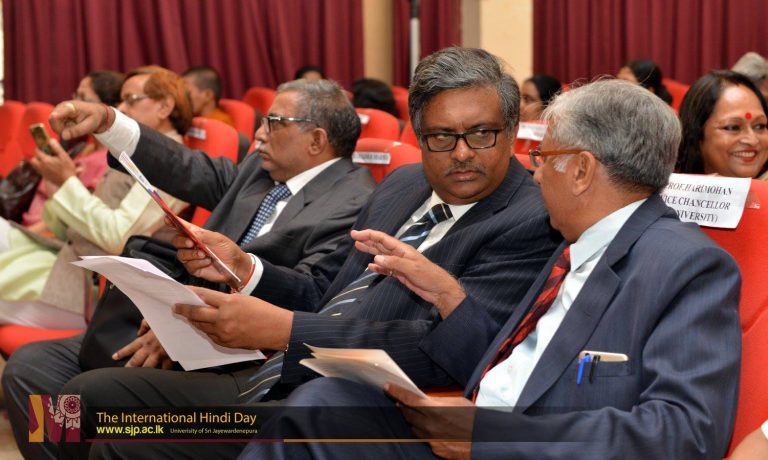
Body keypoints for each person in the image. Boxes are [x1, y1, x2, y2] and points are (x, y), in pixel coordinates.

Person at [60, 47, 559, 459]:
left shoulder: (533, 218)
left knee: (120, 438)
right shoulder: (404, 184)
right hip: (276, 373)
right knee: (69, 408)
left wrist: (284, 330)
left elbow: (451, 350)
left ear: (512, 129)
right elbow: (325, 290)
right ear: (421, 136)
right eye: (442, 136)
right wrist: (243, 268)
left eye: (481, 134)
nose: (463, 152)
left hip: (347, 408)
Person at [247, 79, 742, 459]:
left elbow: (685, 433)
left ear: (582, 170)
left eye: (544, 157)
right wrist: (448, 297)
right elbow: (509, 359)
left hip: (518, 446)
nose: (536, 173)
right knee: (322, 403)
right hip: (464, 424)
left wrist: (494, 436)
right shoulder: (570, 244)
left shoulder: (686, 265)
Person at [2, 78, 376, 460]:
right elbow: (183, 165)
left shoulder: (354, 202)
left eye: (275, 122)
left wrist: (227, 284)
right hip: (172, 317)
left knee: (82, 399)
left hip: (237, 350)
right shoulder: (260, 171)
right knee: (31, 369)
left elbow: (312, 296)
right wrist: (108, 122)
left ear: (316, 140)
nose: (259, 133)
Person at [0, 65, 190, 329]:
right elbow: (65, 229)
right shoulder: (134, 152)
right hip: (71, 260)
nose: (121, 109)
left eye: (131, 100)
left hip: (95, 290)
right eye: (121, 100)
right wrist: (59, 185)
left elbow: (119, 238)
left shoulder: (172, 164)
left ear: (164, 107)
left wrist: (67, 183)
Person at [21, 70, 124, 229]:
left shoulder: (111, 161)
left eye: (83, 98)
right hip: (27, 225)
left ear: (107, 109)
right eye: (75, 96)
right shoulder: (81, 148)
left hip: (47, 234)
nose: (73, 105)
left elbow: (75, 222)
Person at [676, 70, 768, 179]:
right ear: (696, 134)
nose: (752, 140)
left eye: (760, 126)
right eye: (733, 127)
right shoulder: (666, 188)